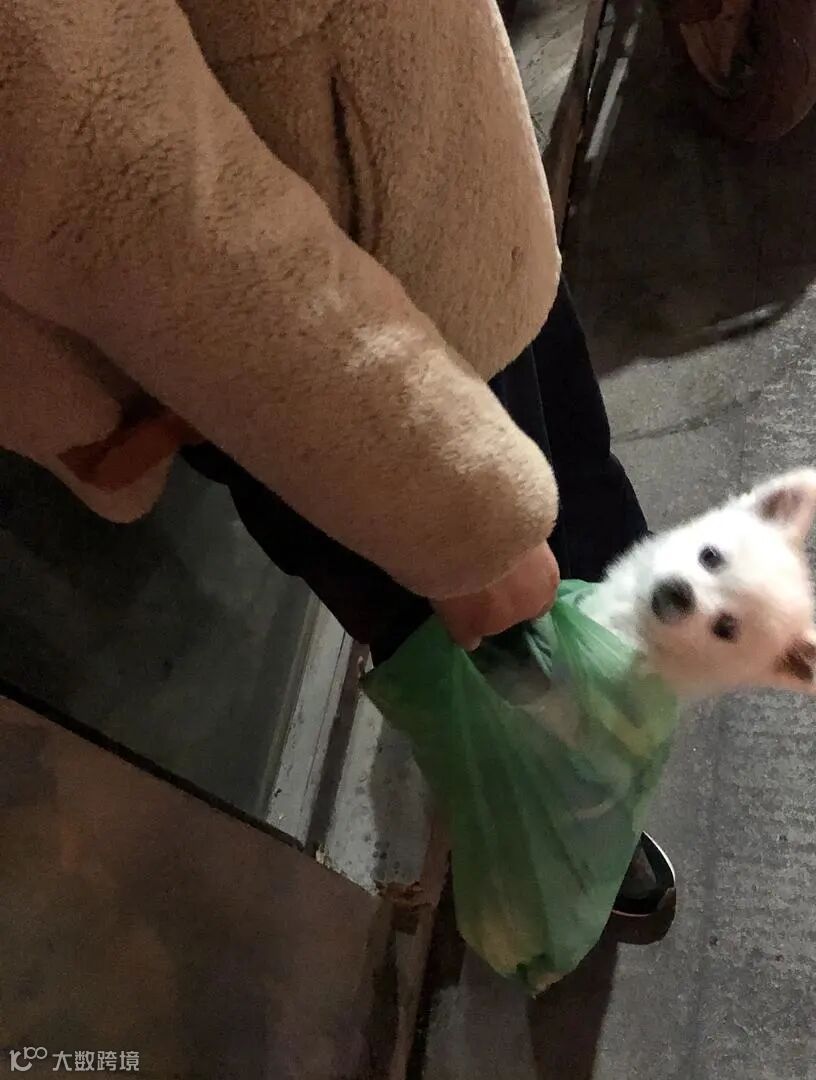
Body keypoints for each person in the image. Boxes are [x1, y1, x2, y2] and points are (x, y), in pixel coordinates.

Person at [0, 0, 674, 921]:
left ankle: (599, 760)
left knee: (577, 496)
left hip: (445, 178)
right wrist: (449, 497)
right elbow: (107, 159)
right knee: (491, 628)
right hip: (333, 323)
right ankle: (568, 816)